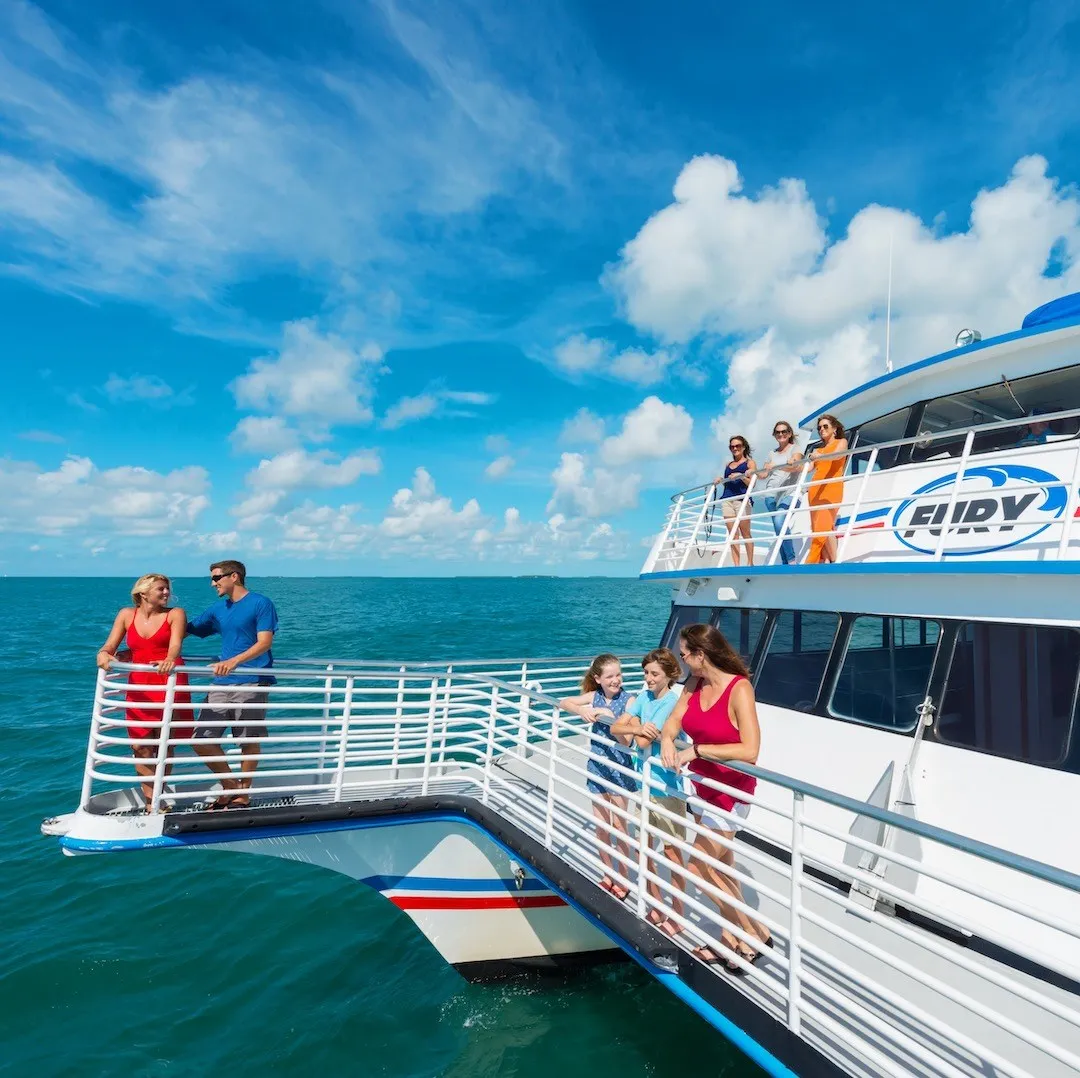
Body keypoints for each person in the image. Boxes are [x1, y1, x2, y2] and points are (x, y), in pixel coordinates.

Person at [660, 623, 772, 971]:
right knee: (722, 866)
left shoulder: (739, 689)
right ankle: (740, 936)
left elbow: (750, 750)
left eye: (684, 654)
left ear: (700, 654)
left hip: (730, 793)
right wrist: (666, 740)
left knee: (698, 866)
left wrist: (697, 750)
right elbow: (673, 722)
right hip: (702, 789)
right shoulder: (693, 685)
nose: (681, 660)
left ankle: (749, 934)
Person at [96, 574, 193, 811]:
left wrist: (170, 659)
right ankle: (151, 800)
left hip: (169, 682)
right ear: (143, 593)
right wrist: (105, 653)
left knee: (164, 743)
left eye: (167, 589)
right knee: (139, 745)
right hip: (139, 687)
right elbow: (111, 644)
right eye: (161, 589)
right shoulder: (126, 615)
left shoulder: (175, 614)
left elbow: (175, 645)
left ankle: (156, 799)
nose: (166, 593)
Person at [186, 560, 279, 809]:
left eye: (217, 578)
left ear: (234, 576)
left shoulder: (260, 603)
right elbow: (184, 629)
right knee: (201, 739)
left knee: (248, 739)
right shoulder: (218, 609)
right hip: (222, 682)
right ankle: (230, 786)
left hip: (252, 680)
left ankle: (243, 793)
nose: (212, 583)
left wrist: (234, 661)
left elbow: (264, 642)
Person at [611, 648, 686, 938]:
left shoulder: (672, 704)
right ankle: (656, 906)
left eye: (654, 673)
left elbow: (640, 743)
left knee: (671, 851)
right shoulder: (644, 698)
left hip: (667, 788)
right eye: (645, 673)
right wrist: (639, 725)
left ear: (669, 675)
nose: (648, 678)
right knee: (644, 848)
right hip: (643, 785)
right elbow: (618, 726)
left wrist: (636, 729)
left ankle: (677, 914)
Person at [560, 654, 637, 901]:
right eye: (610, 676)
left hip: (619, 771)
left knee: (620, 827)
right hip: (597, 767)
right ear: (598, 679)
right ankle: (607, 874)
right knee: (602, 825)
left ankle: (623, 879)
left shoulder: (629, 700)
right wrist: (585, 710)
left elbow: (628, 739)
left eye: (618, 674)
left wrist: (608, 717)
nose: (616, 680)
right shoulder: (594, 696)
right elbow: (565, 702)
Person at [805, 414, 848, 564]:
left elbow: (837, 456)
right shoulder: (817, 450)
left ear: (834, 429)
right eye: (819, 428)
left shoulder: (841, 442)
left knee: (823, 526)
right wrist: (793, 463)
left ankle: (812, 561)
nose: (821, 429)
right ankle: (828, 560)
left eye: (825, 426)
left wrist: (819, 456)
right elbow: (808, 468)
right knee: (821, 527)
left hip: (832, 489)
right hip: (815, 491)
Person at [713, 435, 757, 566]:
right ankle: (736, 565)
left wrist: (741, 476)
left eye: (738, 446)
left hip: (741, 500)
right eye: (732, 446)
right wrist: (721, 480)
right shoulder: (728, 464)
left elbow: (752, 483)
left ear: (743, 447)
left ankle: (750, 563)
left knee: (745, 533)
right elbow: (728, 484)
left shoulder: (750, 463)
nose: (735, 448)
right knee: (733, 535)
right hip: (727, 500)